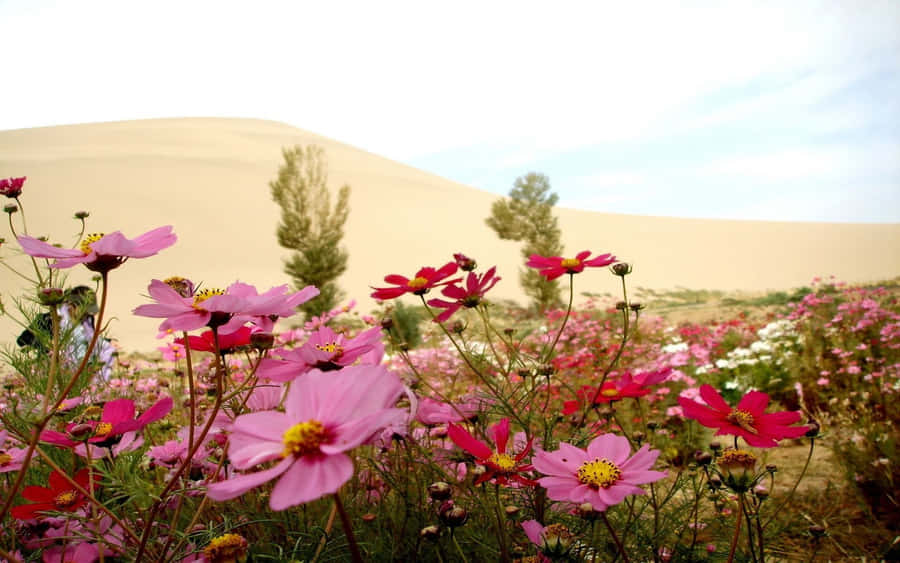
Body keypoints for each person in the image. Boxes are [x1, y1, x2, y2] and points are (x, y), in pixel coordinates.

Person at [16, 286, 115, 379]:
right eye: (84, 311)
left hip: (84, 371)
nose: (87, 315)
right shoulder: (51, 319)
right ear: (71, 305)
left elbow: (90, 338)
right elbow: (22, 340)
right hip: (59, 372)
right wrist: (48, 348)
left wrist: (107, 342)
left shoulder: (87, 319)